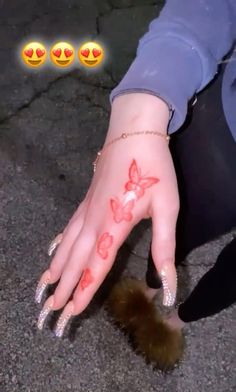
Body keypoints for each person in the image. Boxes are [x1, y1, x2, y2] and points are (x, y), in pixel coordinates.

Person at [35, 0, 236, 362]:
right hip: (228, 137)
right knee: (178, 227)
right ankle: (160, 303)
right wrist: (141, 112)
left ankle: (166, 312)